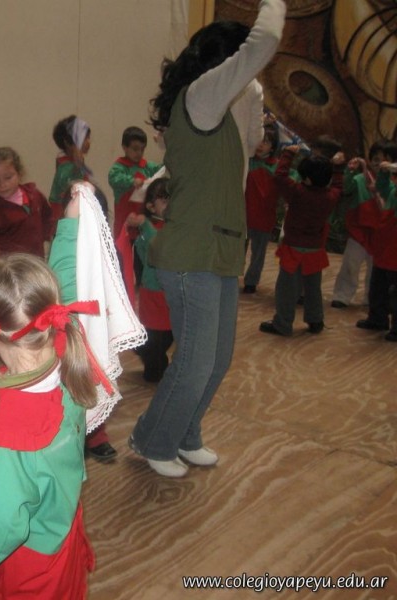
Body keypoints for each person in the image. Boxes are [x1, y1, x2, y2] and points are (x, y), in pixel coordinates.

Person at [130, 0, 286, 478]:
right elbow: (265, 41)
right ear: (224, 62)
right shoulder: (199, 97)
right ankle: (153, 440)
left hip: (217, 251)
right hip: (190, 251)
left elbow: (253, 134)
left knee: (216, 360)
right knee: (195, 362)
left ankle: (184, 434)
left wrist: (253, 95)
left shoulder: (219, 110)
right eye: (239, 63)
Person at [0, 198, 104, 599]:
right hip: (61, 535)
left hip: (28, 567)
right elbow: (66, 280)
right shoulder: (68, 350)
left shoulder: (2, 436)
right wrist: (70, 225)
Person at [259, 146, 345, 336]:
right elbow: (339, 187)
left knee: (287, 289)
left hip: (293, 248)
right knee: (313, 288)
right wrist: (338, 168)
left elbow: (279, 176)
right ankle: (316, 320)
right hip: (315, 249)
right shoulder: (329, 197)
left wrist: (288, 153)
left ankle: (282, 324)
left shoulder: (298, 192)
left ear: (307, 178)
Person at [331, 140, 389, 308]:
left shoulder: (392, 183)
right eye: (376, 159)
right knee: (350, 264)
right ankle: (342, 296)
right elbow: (346, 188)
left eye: (385, 160)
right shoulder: (360, 178)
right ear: (370, 160)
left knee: (375, 269)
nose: (380, 164)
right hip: (358, 231)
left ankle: (371, 298)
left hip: (380, 234)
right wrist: (349, 171)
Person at [126, 178, 173, 383]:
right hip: (153, 291)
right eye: (165, 201)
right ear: (151, 206)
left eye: (173, 199)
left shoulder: (173, 227)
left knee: (167, 334)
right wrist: (143, 224)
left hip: (169, 291)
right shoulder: (150, 229)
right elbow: (155, 250)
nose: (171, 205)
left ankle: (147, 351)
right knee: (155, 335)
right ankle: (151, 361)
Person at [0, 146, 53, 264]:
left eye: (8, 177)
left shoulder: (34, 195)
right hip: (11, 269)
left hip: (37, 263)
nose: (2, 185)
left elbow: (48, 221)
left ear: (19, 174)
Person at [356, 157, 397, 341]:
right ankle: (377, 318)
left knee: (394, 293)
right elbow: (382, 187)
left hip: (393, 252)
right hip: (384, 249)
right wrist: (383, 173)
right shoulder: (393, 190)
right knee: (378, 288)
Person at [242, 125, 281, 293]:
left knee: (258, 252)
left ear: (272, 147)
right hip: (244, 213)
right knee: (238, 249)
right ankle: (232, 275)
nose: (261, 145)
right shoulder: (247, 160)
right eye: (259, 140)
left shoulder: (277, 167)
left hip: (264, 215)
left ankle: (251, 281)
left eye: (266, 142)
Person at [49, 115, 108, 223]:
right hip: (66, 219)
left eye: (88, 137)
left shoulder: (76, 165)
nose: (88, 142)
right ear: (68, 143)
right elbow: (69, 192)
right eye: (84, 138)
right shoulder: (66, 167)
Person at [108, 126, 161, 239]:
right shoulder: (119, 167)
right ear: (124, 147)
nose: (139, 153)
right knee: (124, 246)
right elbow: (113, 178)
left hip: (142, 221)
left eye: (142, 149)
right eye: (135, 149)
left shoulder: (147, 166)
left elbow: (162, 169)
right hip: (124, 222)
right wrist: (131, 181)